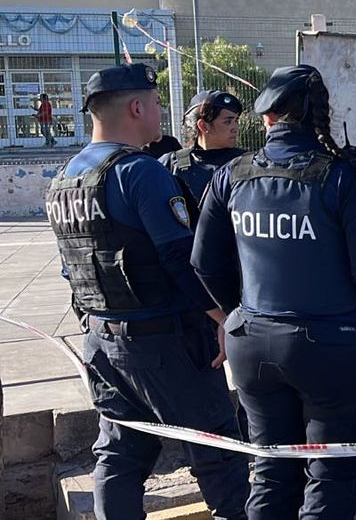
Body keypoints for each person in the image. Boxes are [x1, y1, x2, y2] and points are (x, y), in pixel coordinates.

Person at [192, 64, 356, 519]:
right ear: (319, 117)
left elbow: (203, 263)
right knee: (331, 474)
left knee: (272, 471)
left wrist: (239, 314)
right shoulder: (341, 178)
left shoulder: (232, 175)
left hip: (251, 345)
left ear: (268, 119)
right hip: (330, 348)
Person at [44, 63, 248, 520]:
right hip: (167, 342)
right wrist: (222, 319)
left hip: (103, 341)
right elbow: (179, 257)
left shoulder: (65, 178)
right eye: (156, 104)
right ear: (137, 107)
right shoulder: (140, 171)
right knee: (218, 451)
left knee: (121, 452)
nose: (160, 113)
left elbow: (70, 269)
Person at [160, 90, 245, 224]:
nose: (235, 127)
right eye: (228, 122)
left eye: (236, 121)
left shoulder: (247, 163)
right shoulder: (171, 164)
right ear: (203, 126)